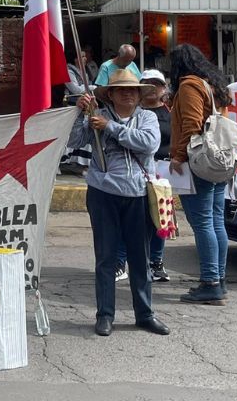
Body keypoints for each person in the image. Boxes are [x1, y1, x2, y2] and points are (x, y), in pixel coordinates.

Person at [70, 70, 168, 337]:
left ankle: (145, 314)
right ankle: (105, 314)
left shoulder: (147, 117)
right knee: (106, 257)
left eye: (133, 90)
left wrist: (110, 127)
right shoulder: (95, 115)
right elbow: (74, 142)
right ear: (110, 95)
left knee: (141, 257)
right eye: (121, 89)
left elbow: (148, 144)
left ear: (139, 95)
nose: (128, 93)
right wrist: (81, 116)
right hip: (103, 193)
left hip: (137, 194)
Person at [167, 43, 233, 306]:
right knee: (216, 221)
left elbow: (192, 125)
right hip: (218, 162)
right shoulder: (214, 85)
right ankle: (219, 279)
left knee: (203, 223)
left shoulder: (189, 85)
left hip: (198, 163)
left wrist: (178, 158)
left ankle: (210, 283)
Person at [114, 69, 173, 283]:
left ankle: (156, 263)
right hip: (136, 174)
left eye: (156, 84)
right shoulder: (131, 114)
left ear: (163, 89)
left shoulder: (170, 113)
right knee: (126, 222)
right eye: (148, 83)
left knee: (160, 220)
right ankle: (120, 263)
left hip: (163, 174)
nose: (153, 88)